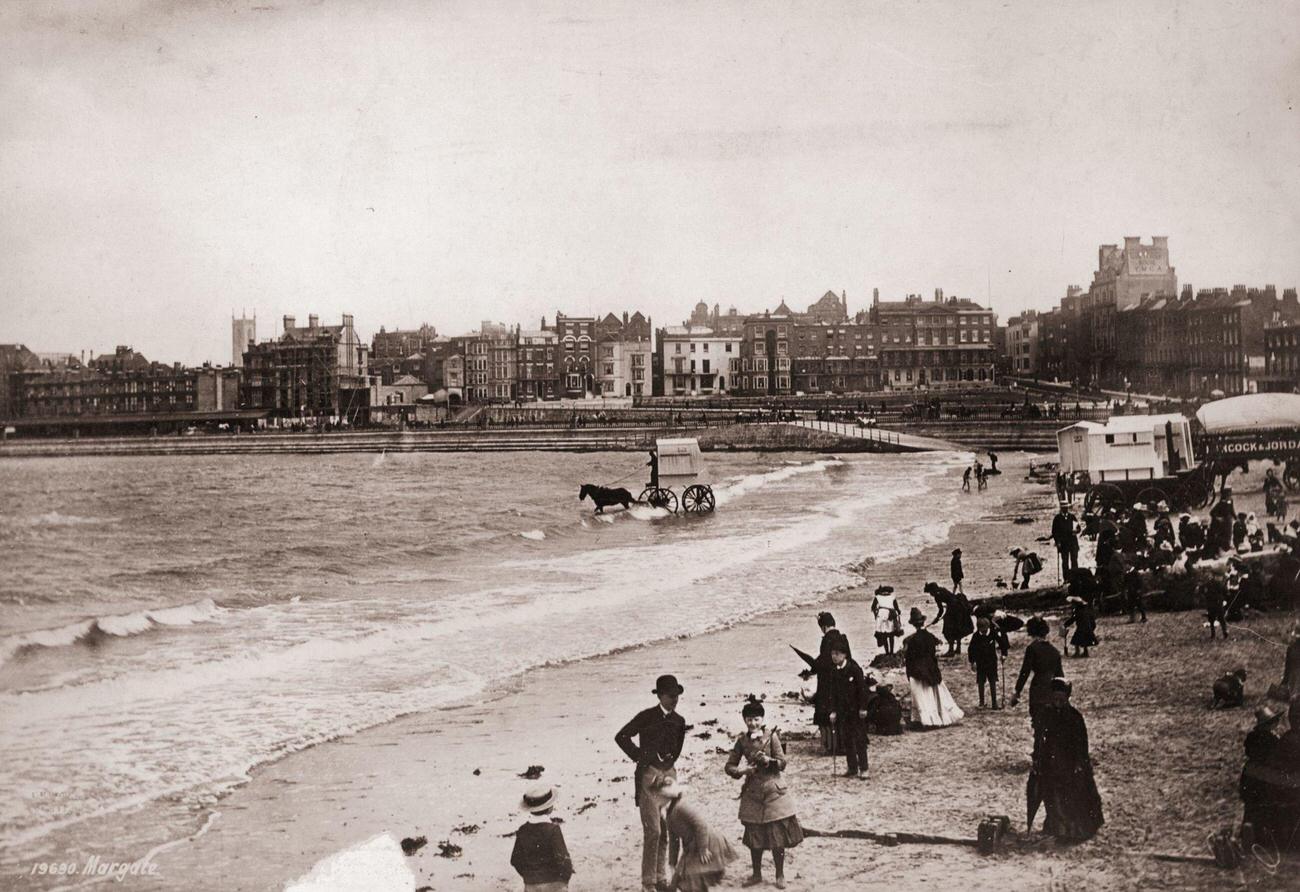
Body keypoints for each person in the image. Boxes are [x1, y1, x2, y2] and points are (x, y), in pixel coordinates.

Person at [615, 674, 688, 892]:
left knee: (666, 829)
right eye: (670, 696)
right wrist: (641, 756)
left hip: (669, 776)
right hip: (648, 777)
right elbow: (621, 737)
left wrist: (669, 762)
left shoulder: (679, 721)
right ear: (660, 696)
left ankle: (660, 878)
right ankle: (648, 883)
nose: (674, 700)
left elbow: (677, 750)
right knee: (653, 831)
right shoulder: (646, 717)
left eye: (677, 696)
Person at [725, 697, 802, 889]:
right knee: (754, 837)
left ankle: (780, 875)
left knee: (778, 837)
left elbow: (782, 763)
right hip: (752, 793)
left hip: (774, 790)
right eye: (749, 719)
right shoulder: (742, 741)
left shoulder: (772, 737)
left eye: (757, 719)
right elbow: (729, 766)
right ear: (745, 720)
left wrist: (768, 760)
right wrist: (743, 771)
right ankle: (757, 874)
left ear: (762, 719)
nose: (753, 723)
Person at [1032, 678, 1104, 841]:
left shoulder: (1074, 717)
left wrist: (1080, 762)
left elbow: (1081, 742)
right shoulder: (1046, 714)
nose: (1058, 703)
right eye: (1055, 699)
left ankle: (1074, 829)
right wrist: (1037, 758)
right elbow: (1040, 738)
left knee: (1072, 796)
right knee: (1052, 796)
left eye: (1061, 700)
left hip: (1070, 763)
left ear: (1067, 699)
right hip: (1051, 762)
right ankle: (1056, 826)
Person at [903, 607, 964, 728]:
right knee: (935, 694)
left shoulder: (911, 640)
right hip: (931, 668)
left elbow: (909, 658)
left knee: (921, 695)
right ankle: (937, 718)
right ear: (923, 622)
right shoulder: (930, 637)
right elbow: (932, 654)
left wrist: (909, 673)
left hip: (918, 670)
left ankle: (924, 720)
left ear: (913, 625)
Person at [799, 612, 851, 754]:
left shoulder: (827, 639)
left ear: (824, 627)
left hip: (828, 681)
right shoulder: (842, 637)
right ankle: (843, 744)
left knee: (824, 714)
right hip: (843, 680)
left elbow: (823, 661)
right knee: (841, 713)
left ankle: (830, 746)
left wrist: (812, 668)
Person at [511, 785, 575, 892]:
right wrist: (564, 880)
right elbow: (563, 859)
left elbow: (515, 860)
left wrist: (529, 877)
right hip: (555, 884)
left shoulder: (522, 830)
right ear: (550, 808)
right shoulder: (553, 830)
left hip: (531, 885)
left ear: (530, 809)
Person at [826, 638, 871, 778]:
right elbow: (832, 693)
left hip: (856, 711)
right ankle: (852, 768)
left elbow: (863, 690)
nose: (834, 656)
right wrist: (832, 710)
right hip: (842, 711)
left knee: (859, 740)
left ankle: (864, 768)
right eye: (832, 653)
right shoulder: (833, 671)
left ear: (844, 655)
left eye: (837, 654)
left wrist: (863, 708)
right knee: (847, 739)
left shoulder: (854, 669)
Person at [1010, 616, 1064, 731]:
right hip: (1052, 688)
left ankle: (1038, 748)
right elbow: (1060, 675)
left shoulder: (1032, 648)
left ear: (1031, 632)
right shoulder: (1055, 651)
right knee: (1050, 722)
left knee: (1037, 721)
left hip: (1038, 687)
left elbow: (1025, 672)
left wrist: (1017, 691)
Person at [1241, 704, 1284, 845]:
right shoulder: (1272, 740)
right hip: (1264, 776)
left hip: (1249, 774)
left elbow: (1248, 752)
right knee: (1264, 806)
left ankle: (1246, 831)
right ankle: (1259, 835)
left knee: (1250, 808)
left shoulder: (1252, 737)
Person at [968, 615, 1007, 708]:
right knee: (981, 682)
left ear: (988, 627)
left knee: (992, 681)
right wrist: (972, 662)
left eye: (985, 630)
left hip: (992, 662)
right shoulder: (976, 636)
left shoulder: (993, 633)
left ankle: (994, 703)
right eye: (982, 630)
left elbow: (1002, 643)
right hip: (980, 662)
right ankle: (982, 703)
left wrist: (1004, 654)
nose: (984, 632)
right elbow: (971, 649)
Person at [925, 581, 974, 655]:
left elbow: (941, 610)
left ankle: (951, 650)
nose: (930, 594)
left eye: (930, 592)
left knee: (947, 631)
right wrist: (939, 617)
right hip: (960, 609)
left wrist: (937, 618)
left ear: (933, 590)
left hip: (954, 610)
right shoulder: (942, 589)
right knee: (958, 629)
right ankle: (958, 649)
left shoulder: (937, 596)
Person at [870, 585, 902, 655]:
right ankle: (891, 652)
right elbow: (897, 608)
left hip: (881, 615)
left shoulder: (877, 597)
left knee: (883, 634)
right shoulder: (892, 597)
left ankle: (887, 652)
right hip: (890, 614)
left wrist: (876, 614)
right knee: (891, 634)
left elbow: (873, 607)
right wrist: (898, 613)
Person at [1051, 505, 1079, 575]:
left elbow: (1079, 528)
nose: (1065, 509)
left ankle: (1075, 577)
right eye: (1063, 508)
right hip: (1064, 543)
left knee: (1074, 560)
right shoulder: (1057, 518)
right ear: (1061, 509)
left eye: (1066, 508)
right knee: (1065, 561)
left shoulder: (1072, 517)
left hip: (1073, 542)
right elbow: (1054, 532)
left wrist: (1076, 531)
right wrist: (1057, 542)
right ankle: (1066, 578)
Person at [1209, 489, 1236, 554]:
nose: (1229, 496)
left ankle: (1227, 546)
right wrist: (1218, 518)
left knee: (1229, 533)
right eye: (1228, 495)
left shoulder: (1230, 501)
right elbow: (1212, 513)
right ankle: (1224, 547)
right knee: (1224, 534)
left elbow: (1232, 510)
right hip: (1222, 522)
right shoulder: (1220, 504)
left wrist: (1235, 517)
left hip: (1228, 520)